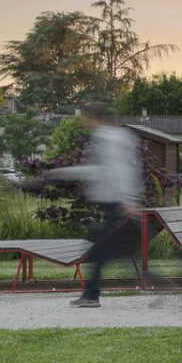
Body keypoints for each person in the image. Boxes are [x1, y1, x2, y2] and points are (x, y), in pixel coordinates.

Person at [45, 105, 142, 308]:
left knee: (100, 249)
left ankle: (91, 295)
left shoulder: (106, 139)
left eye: (86, 119)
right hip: (111, 200)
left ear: (94, 118)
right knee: (102, 249)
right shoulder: (121, 136)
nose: (83, 123)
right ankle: (91, 294)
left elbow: (116, 169)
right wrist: (64, 173)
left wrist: (126, 199)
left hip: (109, 202)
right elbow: (116, 169)